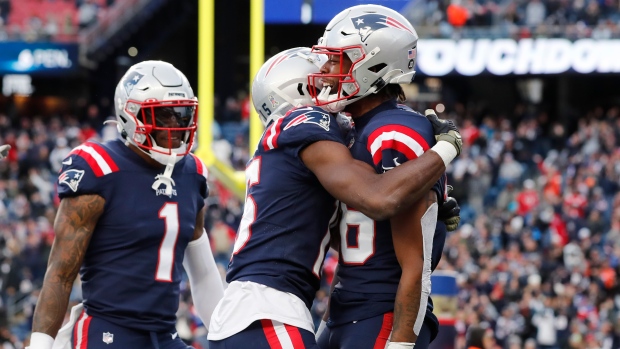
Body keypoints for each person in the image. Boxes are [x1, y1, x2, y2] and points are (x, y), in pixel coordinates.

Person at [207, 47, 461, 349]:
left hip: (258, 310)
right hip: (268, 312)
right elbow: (378, 197)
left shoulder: (299, 151)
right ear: (301, 92)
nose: (331, 79)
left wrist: (427, 206)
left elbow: (351, 231)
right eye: (321, 80)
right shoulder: (307, 121)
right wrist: (446, 150)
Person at [27, 61, 224, 349]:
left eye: (182, 114)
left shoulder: (192, 173)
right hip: (109, 333)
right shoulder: (99, 168)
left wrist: (225, 337)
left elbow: (204, 272)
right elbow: (59, 272)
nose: (175, 125)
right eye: (163, 115)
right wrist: (40, 346)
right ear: (131, 116)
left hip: (165, 335)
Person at [308, 4, 456, 349]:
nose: (327, 70)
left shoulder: (394, 131)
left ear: (373, 65)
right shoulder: (357, 127)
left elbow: (414, 265)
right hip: (349, 308)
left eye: (338, 59)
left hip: (381, 312)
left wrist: (400, 342)